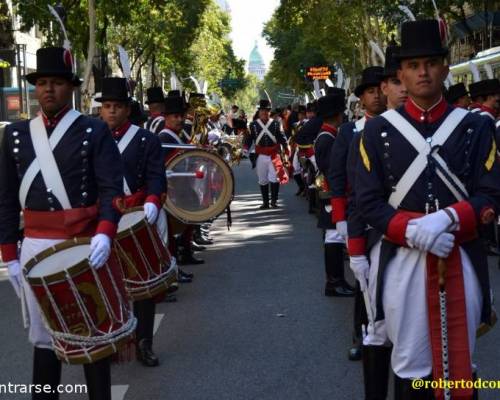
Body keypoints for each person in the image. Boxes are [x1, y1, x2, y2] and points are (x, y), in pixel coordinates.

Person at [355, 19, 500, 399]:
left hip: (460, 252)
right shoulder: (376, 131)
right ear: (400, 73)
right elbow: (367, 202)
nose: (423, 72)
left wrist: (448, 218)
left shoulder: (474, 126)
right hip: (402, 259)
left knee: (460, 364)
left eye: (431, 63)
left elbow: (491, 194)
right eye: (414, 65)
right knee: (411, 364)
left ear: (445, 67)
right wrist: (411, 229)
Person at [0, 47, 124, 400]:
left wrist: (105, 232)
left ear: (70, 87)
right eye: (42, 83)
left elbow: (111, 189)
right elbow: (6, 200)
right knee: (43, 340)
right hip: (36, 246)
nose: (48, 89)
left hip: (84, 245)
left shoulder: (93, 130)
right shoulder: (16, 135)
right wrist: (9, 253)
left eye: (55, 82)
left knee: (92, 334)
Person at [349, 46, 407, 399]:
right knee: (380, 329)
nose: (404, 87)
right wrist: (355, 247)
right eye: (395, 81)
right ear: (385, 87)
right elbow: (358, 196)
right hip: (382, 241)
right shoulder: (366, 133)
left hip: (436, 246)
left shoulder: (452, 129)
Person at [97, 77, 166, 367]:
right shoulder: (91, 137)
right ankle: (113, 342)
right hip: (103, 221)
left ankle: (144, 343)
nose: (111, 112)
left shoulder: (145, 139)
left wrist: (152, 201)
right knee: (109, 286)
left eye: (117, 107)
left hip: (137, 217)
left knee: (143, 285)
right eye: (107, 106)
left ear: (127, 109)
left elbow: (156, 177)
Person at [328, 66, 385, 361]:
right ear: (361, 99)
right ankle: (360, 335)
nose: (376, 96)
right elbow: (336, 176)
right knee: (364, 282)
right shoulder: (349, 132)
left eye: (379, 89)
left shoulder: (398, 126)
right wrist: (340, 217)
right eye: (370, 91)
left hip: (392, 215)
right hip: (359, 216)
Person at [314, 94, 355, 299]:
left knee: (335, 237)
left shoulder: (328, 135)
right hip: (332, 192)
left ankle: (337, 281)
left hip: (332, 191)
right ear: (337, 115)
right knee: (334, 237)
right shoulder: (327, 138)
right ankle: (334, 282)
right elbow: (333, 169)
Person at [159, 95, 203, 268]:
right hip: (173, 190)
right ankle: (177, 260)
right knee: (174, 229)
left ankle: (186, 251)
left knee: (190, 215)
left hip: (183, 187)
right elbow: (166, 166)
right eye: (175, 116)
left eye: (181, 116)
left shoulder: (177, 136)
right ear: (166, 118)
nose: (179, 119)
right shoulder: (164, 138)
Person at [244, 99, 289, 209]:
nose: (264, 112)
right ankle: (265, 202)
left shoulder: (275, 124)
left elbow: (282, 138)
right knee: (263, 179)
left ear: (269, 112)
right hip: (260, 155)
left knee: (274, 178)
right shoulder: (253, 125)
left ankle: (274, 201)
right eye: (262, 110)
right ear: (259, 112)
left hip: (274, 154)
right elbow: (249, 139)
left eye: (267, 110)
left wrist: (287, 148)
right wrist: (245, 148)